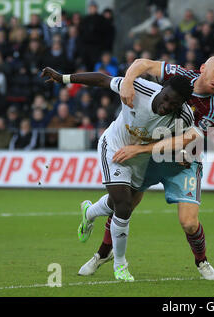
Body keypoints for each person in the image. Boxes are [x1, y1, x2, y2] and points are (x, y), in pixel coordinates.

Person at [78, 56, 214, 280]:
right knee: (125, 204)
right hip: (152, 153)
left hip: (183, 159)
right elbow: (143, 64)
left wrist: (140, 150)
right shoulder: (180, 75)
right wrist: (128, 81)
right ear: (203, 68)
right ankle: (102, 254)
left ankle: (202, 261)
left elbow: (185, 140)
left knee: (188, 222)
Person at [41, 67, 195, 282]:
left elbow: (182, 138)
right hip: (114, 146)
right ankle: (120, 264)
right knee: (124, 206)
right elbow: (102, 80)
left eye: (174, 104)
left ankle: (89, 212)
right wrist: (64, 78)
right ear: (163, 88)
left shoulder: (184, 116)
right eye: (167, 98)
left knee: (119, 203)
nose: (167, 106)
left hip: (140, 158)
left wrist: (183, 153)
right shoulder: (139, 88)